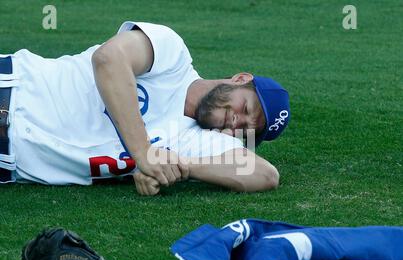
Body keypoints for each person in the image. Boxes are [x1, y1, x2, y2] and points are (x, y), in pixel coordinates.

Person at [0, 21, 290, 195]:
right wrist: (144, 153)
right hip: (11, 88)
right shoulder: (172, 55)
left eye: (248, 129)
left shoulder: (198, 144)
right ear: (240, 79)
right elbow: (108, 58)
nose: (238, 122)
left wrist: (179, 169)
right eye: (246, 107)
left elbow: (266, 175)